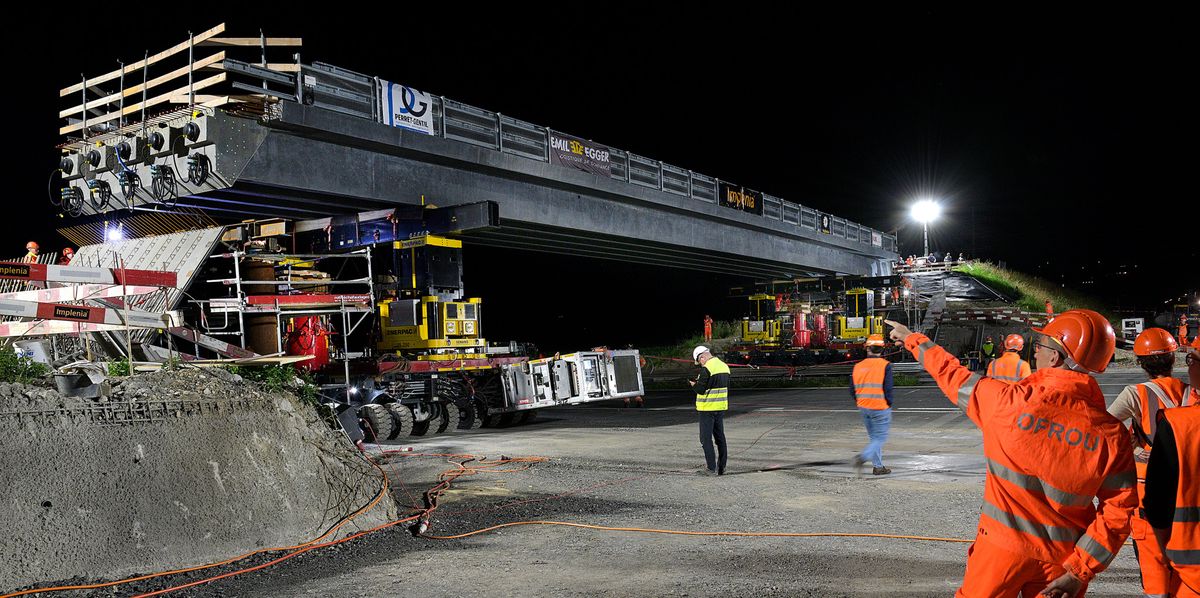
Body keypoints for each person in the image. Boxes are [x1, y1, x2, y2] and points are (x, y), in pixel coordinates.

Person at [885, 311, 1136, 597]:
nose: (1035, 352)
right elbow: (1119, 511)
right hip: (1063, 561)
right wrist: (1080, 570)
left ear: (1055, 357)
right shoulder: (1112, 435)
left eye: (1039, 346)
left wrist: (912, 339)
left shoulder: (1004, 402)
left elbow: (951, 374)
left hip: (1001, 552)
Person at [1106, 328, 1192, 597]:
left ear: (1141, 363)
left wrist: (1129, 443)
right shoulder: (1191, 393)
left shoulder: (1135, 394)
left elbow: (1103, 428)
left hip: (1148, 491)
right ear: (1173, 359)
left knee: (1155, 567)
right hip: (1187, 488)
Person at [1143, 337, 1200, 596]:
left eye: (1193, 360)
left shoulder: (1178, 425)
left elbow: (1157, 506)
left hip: (1191, 575)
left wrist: (1166, 549)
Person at [852, 334, 894, 475]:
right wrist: (888, 404)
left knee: (874, 438)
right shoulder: (885, 366)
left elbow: (852, 390)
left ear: (867, 348)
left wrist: (860, 402)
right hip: (880, 407)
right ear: (882, 349)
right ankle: (863, 457)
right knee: (880, 438)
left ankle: (878, 467)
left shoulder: (858, 366)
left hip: (864, 408)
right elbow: (888, 389)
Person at [689, 345, 729, 476]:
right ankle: (721, 467)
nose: (701, 363)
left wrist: (694, 384)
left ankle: (711, 468)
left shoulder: (707, 368)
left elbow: (701, 390)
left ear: (702, 357)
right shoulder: (724, 366)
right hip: (720, 407)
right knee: (720, 438)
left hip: (707, 408)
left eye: (699, 361)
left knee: (705, 439)